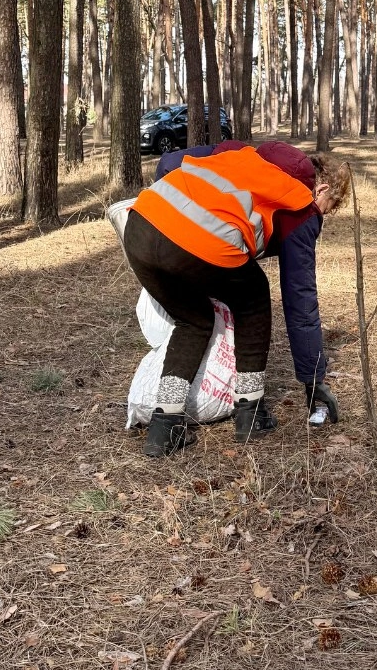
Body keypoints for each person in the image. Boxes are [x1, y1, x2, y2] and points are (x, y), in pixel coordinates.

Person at [123, 140, 350, 457]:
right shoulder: (302, 204)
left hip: (139, 225)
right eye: (330, 206)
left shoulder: (246, 154)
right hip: (191, 241)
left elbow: (168, 162)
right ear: (321, 188)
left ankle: (165, 425)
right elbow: (301, 302)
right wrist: (313, 380)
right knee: (254, 297)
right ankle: (250, 414)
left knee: (194, 321)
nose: (325, 214)